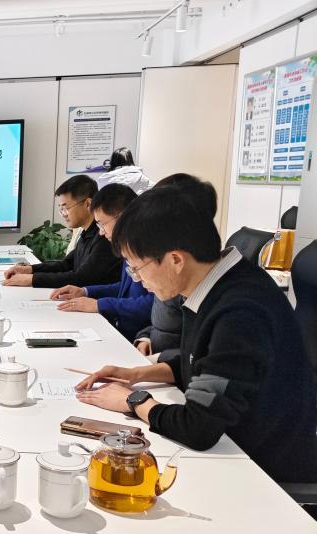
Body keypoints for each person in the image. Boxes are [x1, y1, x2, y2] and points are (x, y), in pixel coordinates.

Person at [75, 187, 317, 483]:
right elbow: (205, 364)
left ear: (176, 259)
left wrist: (134, 401)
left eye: (136, 268)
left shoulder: (240, 312)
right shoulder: (216, 285)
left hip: (261, 471)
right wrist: (136, 374)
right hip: (234, 446)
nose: (138, 279)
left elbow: (198, 428)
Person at [49, 183, 154, 341]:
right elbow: (124, 289)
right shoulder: (127, 246)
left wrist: (99, 305)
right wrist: (85, 291)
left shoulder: (148, 250)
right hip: (124, 332)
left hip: (138, 337)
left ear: (123, 217)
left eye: (103, 224)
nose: (101, 232)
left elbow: (153, 303)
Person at [133, 173, 219, 362]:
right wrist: (146, 337)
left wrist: (156, 360)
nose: (137, 277)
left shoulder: (185, 278)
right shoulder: (173, 274)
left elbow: (196, 357)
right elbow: (162, 323)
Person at [3, 175, 121, 288]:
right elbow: (67, 264)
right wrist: (30, 269)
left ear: (88, 204)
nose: (63, 214)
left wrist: (32, 279)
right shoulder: (86, 232)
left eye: (66, 208)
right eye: (61, 209)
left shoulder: (105, 236)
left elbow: (82, 278)